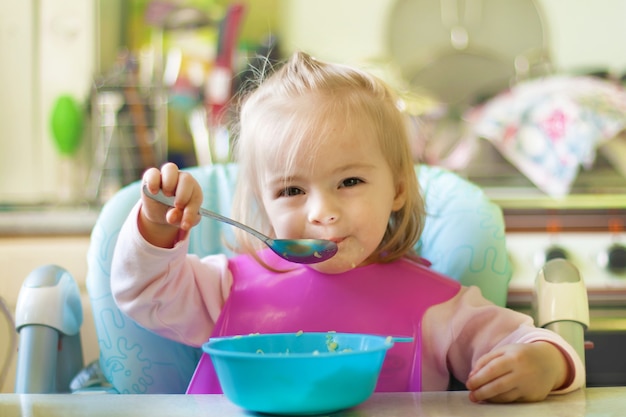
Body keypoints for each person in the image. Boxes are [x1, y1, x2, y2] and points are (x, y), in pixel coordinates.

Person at [111, 51, 584, 403]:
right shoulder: (224, 288)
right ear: (262, 202)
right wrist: (156, 224)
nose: (322, 212)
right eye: (292, 191)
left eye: (350, 181)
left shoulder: (440, 311)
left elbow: (530, 343)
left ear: (398, 188)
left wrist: (545, 363)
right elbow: (144, 290)